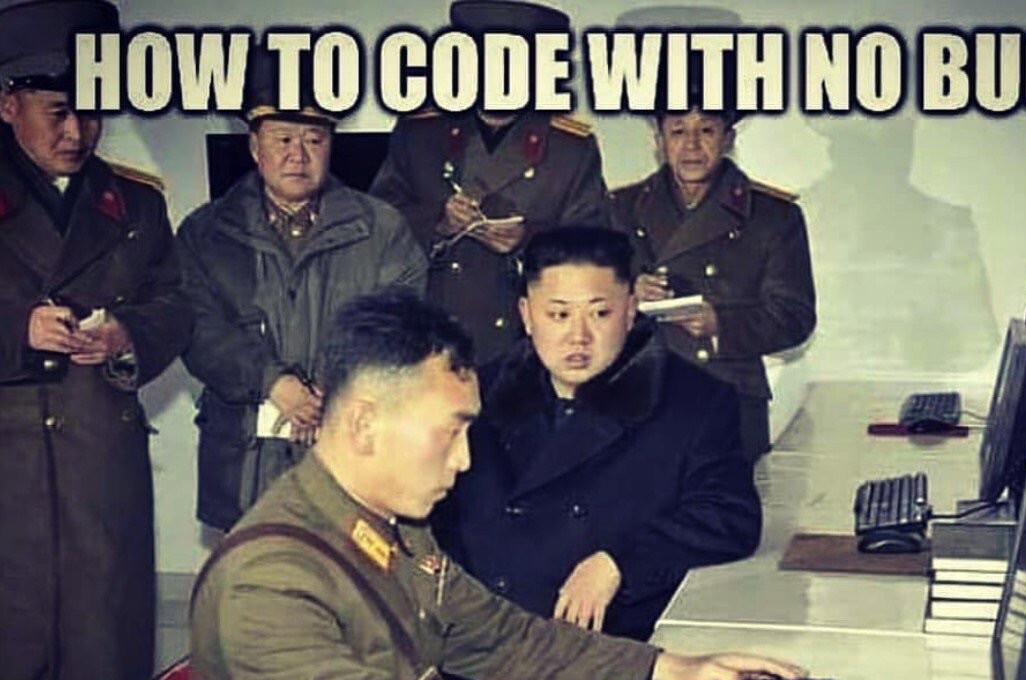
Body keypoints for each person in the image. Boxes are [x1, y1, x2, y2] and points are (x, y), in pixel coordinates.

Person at [190, 291, 803, 680]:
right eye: (451, 432)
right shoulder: (270, 581)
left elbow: (503, 639)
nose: (464, 461)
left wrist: (666, 669)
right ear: (364, 424)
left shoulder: (388, 525)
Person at [432, 225, 761, 680]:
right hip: (479, 663)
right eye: (559, 314)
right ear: (526, 314)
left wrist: (618, 562)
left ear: (631, 310)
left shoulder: (694, 401)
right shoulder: (474, 395)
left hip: (602, 669)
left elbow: (729, 516)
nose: (577, 337)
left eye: (600, 313)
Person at [0, 1, 191, 680]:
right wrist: (15, 328)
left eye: (90, 112)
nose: (77, 132)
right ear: (8, 103)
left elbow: (173, 305)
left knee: (106, 654)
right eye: (56, 112)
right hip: (8, 468)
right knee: (9, 665)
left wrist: (127, 336)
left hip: (99, 462)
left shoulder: (135, 202)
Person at [180, 47, 428, 531]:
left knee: (353, 570)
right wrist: (273, 383)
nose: (298, 154)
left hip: (350, 453)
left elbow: (402, 323)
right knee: (254, 571)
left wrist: (335, 389)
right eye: (283, 139)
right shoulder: (204, 233)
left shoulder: (382, 228)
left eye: (314, 139)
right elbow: (198, 328)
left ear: (331, 144)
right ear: (255, 147)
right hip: (246, 461)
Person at [370, 0, 610, 361]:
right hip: (426, 338)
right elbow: (377, 222)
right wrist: (439, 222)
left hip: (522, 346)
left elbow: (595, 246)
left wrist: (528, 241)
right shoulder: (420, 132)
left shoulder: (569, 147)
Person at [610, 92, 817, 459]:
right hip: (638, 397)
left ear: (728, 139)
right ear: (659, 141)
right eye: (677, 131)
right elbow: (576, 297)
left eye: (706, 130)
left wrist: (720, 324)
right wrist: (625, 292)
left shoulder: (772, 216)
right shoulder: (620, 209)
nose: (691, 145)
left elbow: (794, 317)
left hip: (729, 398)